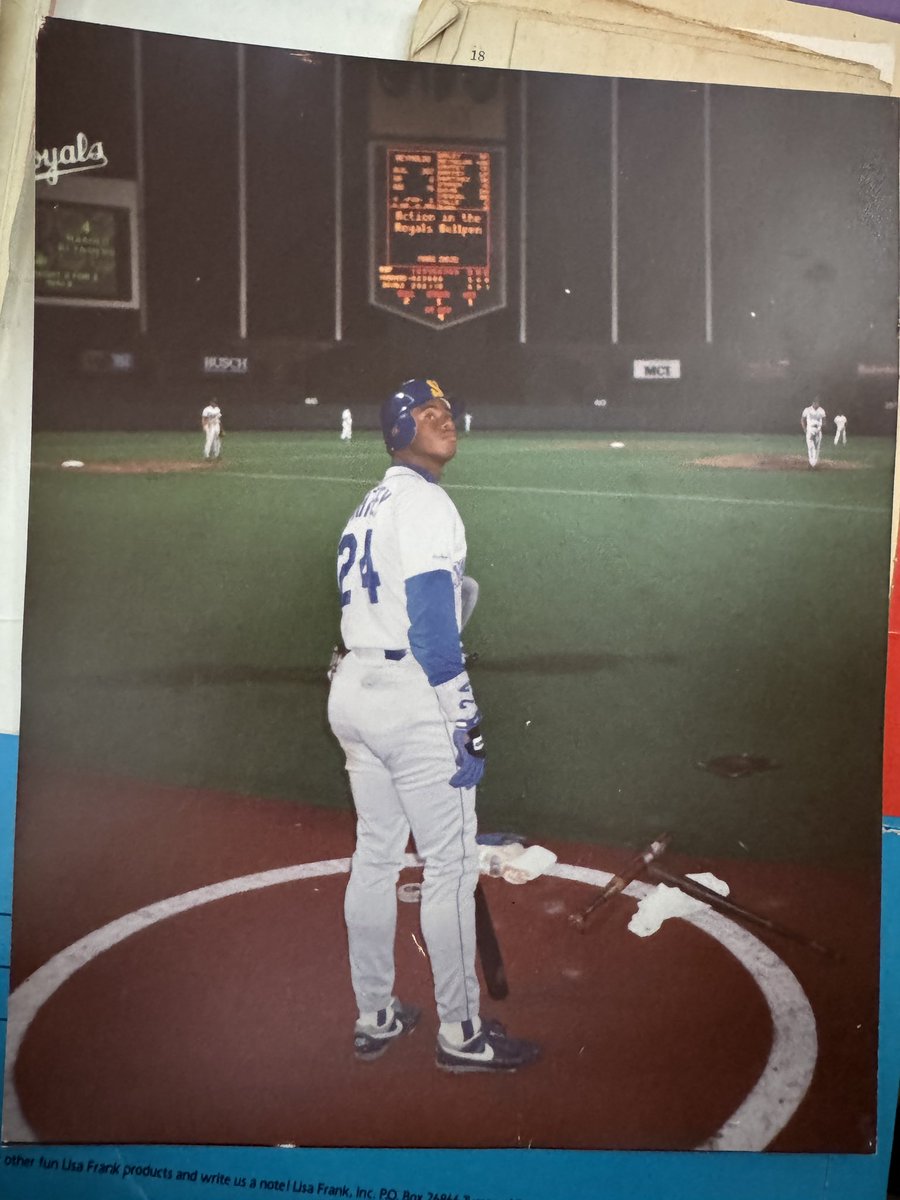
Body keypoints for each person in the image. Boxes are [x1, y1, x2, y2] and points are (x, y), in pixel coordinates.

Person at [327, 378, 540, 1073]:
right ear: (398, 432)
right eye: (426, 413)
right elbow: (433, 627)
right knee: (448, 869)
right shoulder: (426, 502)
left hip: (353, 686)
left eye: (447, 410)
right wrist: (464, 713)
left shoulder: (367, 507)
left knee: (377, 856)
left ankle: (375, 1014)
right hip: (409, 697)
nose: (445, 418)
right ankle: (461, 1034)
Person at [800, 397, 826, 468]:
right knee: (810, 446)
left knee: (817, 447)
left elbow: (824, 422)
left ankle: (814, 463)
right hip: (810, 430)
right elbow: (802, 419)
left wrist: (819, 427)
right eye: (815, 402)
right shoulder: (807, 410)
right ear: (813, 403)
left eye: (818, 403)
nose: (817, 404)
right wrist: (804, 429)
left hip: (818, 430)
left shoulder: (821, 410)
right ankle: (811, 463)